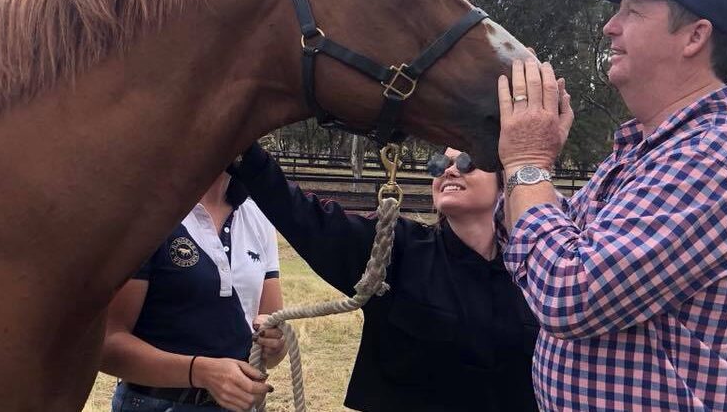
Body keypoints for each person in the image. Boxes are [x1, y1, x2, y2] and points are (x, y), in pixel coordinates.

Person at [496, 0, 727, 410]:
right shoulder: (648, 149)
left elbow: (566, 290)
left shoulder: (718, 158)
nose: (609, 27)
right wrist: (506, 156)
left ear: (695, 37)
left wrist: (527, 161)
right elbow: (547, 236)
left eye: (632, 11)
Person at [229, 144, 540, 411]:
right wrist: (245, 151)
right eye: (438, 164)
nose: (450, 171)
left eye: (467, 162)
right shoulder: (394, 249)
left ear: (504, 181)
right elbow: (304, 216)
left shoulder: (538, 270)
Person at [101, 172, 287, 412]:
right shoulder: (148, 213)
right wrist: (199, 373)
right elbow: (106, 343)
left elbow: (271, 347)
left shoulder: (258, 218)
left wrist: (274, 345)